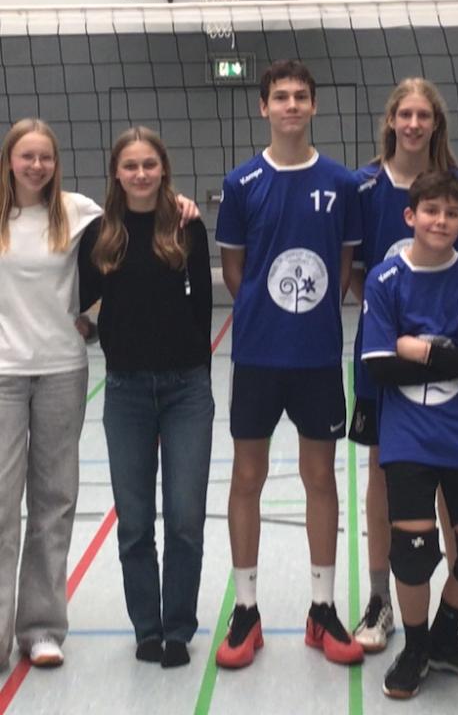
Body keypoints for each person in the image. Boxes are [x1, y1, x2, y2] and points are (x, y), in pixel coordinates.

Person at [214, 59, 363, 669]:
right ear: (264, 107)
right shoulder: (242, 182)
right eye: (281, 96)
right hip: (257, 355)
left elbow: (348, 266)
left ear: (314, 106)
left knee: (320, 479)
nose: (292, 105)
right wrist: (265, 314)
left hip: (318, 357)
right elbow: (233, 270)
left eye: (302, 95)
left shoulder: (343, 183)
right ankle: (246, 610)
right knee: (247, 477)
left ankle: (321, 609)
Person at [349, 77, 458, 653]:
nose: (413, 124)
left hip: (451, 365)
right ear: (391, 121)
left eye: (423, 115)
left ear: (436, 123)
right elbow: (356, 271)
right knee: (386, 473)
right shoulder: (363, 187)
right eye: (404, 114)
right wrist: (394, 328)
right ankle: (382, 598)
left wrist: (445, 348)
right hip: (385, 357)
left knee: (450, 475)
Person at [361, 170, 458, 699]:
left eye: (450, 214)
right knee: (415, 550)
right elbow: (379, 366)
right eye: (430, 211)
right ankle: (418, 645)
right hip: (408, 436)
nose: (440, 221)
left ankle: (446, 636)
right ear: (411, 216)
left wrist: (422, 351)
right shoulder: (385, 279)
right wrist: (457, 361)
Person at [77, 126, 213, 668]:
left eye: (149, 165)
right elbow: (80, 302)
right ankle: (147, 629)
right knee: (134, 522)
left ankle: (178, 627)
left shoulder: (185, 227)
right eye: (130, 166)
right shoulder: (99, 235)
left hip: (186, 391)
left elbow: (203, 304)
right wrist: (88, 328)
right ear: (116, 172)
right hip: (125, 391)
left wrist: (191, 371)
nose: (140, 174)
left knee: (184, 518)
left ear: (163, 169)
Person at [0, 118, 102, 670]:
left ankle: (41, 627)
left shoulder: (79, 211)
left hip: (63, 369)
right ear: (9, 160)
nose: (36, 165)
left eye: (44, 157)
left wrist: (92, 319)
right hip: (3, 375)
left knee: (53, 502)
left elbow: (130, 247)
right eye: (26, 156)